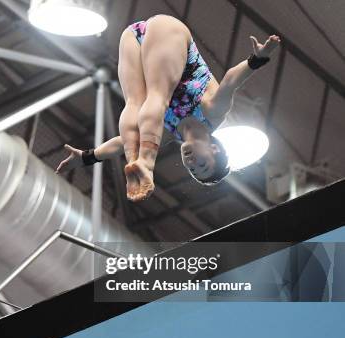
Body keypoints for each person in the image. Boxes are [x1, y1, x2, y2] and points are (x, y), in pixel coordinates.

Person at [56, 14, 280, 201]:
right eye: (202, 164)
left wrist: (87, 157)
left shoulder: (167, 134)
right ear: (215, 149)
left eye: (192, 169)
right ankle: (144, 164)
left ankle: (137, 164)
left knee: (135, 105)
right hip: (170, 33)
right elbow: (231, 80)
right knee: (157, 96)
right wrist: (257, 59)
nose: (191, 163)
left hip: (134, 38)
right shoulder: (213, 114)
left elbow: (121, 142)